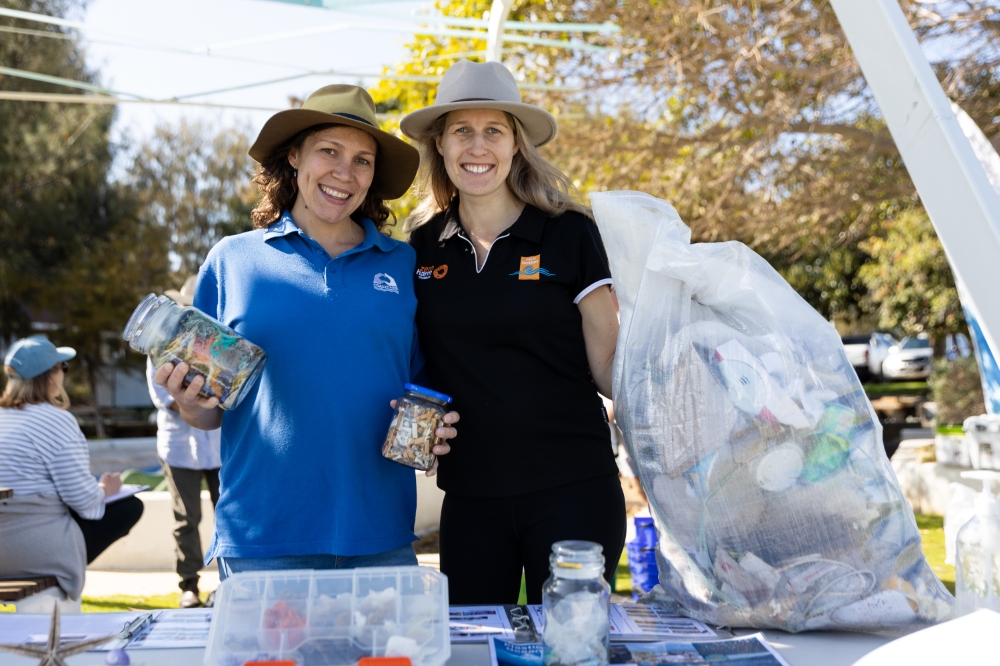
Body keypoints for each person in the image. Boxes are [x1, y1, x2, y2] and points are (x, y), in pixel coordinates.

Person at [153, 85, 458, 578]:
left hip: (381, 538)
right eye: (329, 151)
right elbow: (207, 414)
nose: (345, 172)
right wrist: (189, 401)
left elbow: (426, 389)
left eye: (363, 160)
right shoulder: (233, 260)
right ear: (295, 157)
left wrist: (438, 428)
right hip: (262, 541)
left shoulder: (405, 264)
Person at [400, 60, 625, 604]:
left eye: (493, 131)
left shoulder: (570, 232)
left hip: (573, 488)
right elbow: (412, 361)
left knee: (572, 649)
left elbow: (610, 368)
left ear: (516, 144)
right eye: (462, 131)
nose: (478, 147)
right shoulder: (419, 247)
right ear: (440, 146)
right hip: (471, 496)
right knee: (474, 650)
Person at [0, 336, 143, 603]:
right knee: (130, 507)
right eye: (62, 367)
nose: (64, 374)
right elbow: (83, 501)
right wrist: (105, 489)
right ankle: (65, 573)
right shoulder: (55, 420)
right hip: (34, 552)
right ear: (50, 375)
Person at [146, 276, 222, 608]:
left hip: (220, 447)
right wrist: (209, 398)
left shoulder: (218, 343)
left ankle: (229, 583)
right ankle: (188, 586)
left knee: (229, 516)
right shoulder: (158, 347)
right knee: (185, 518)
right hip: (178, 449)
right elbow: (168, 399)